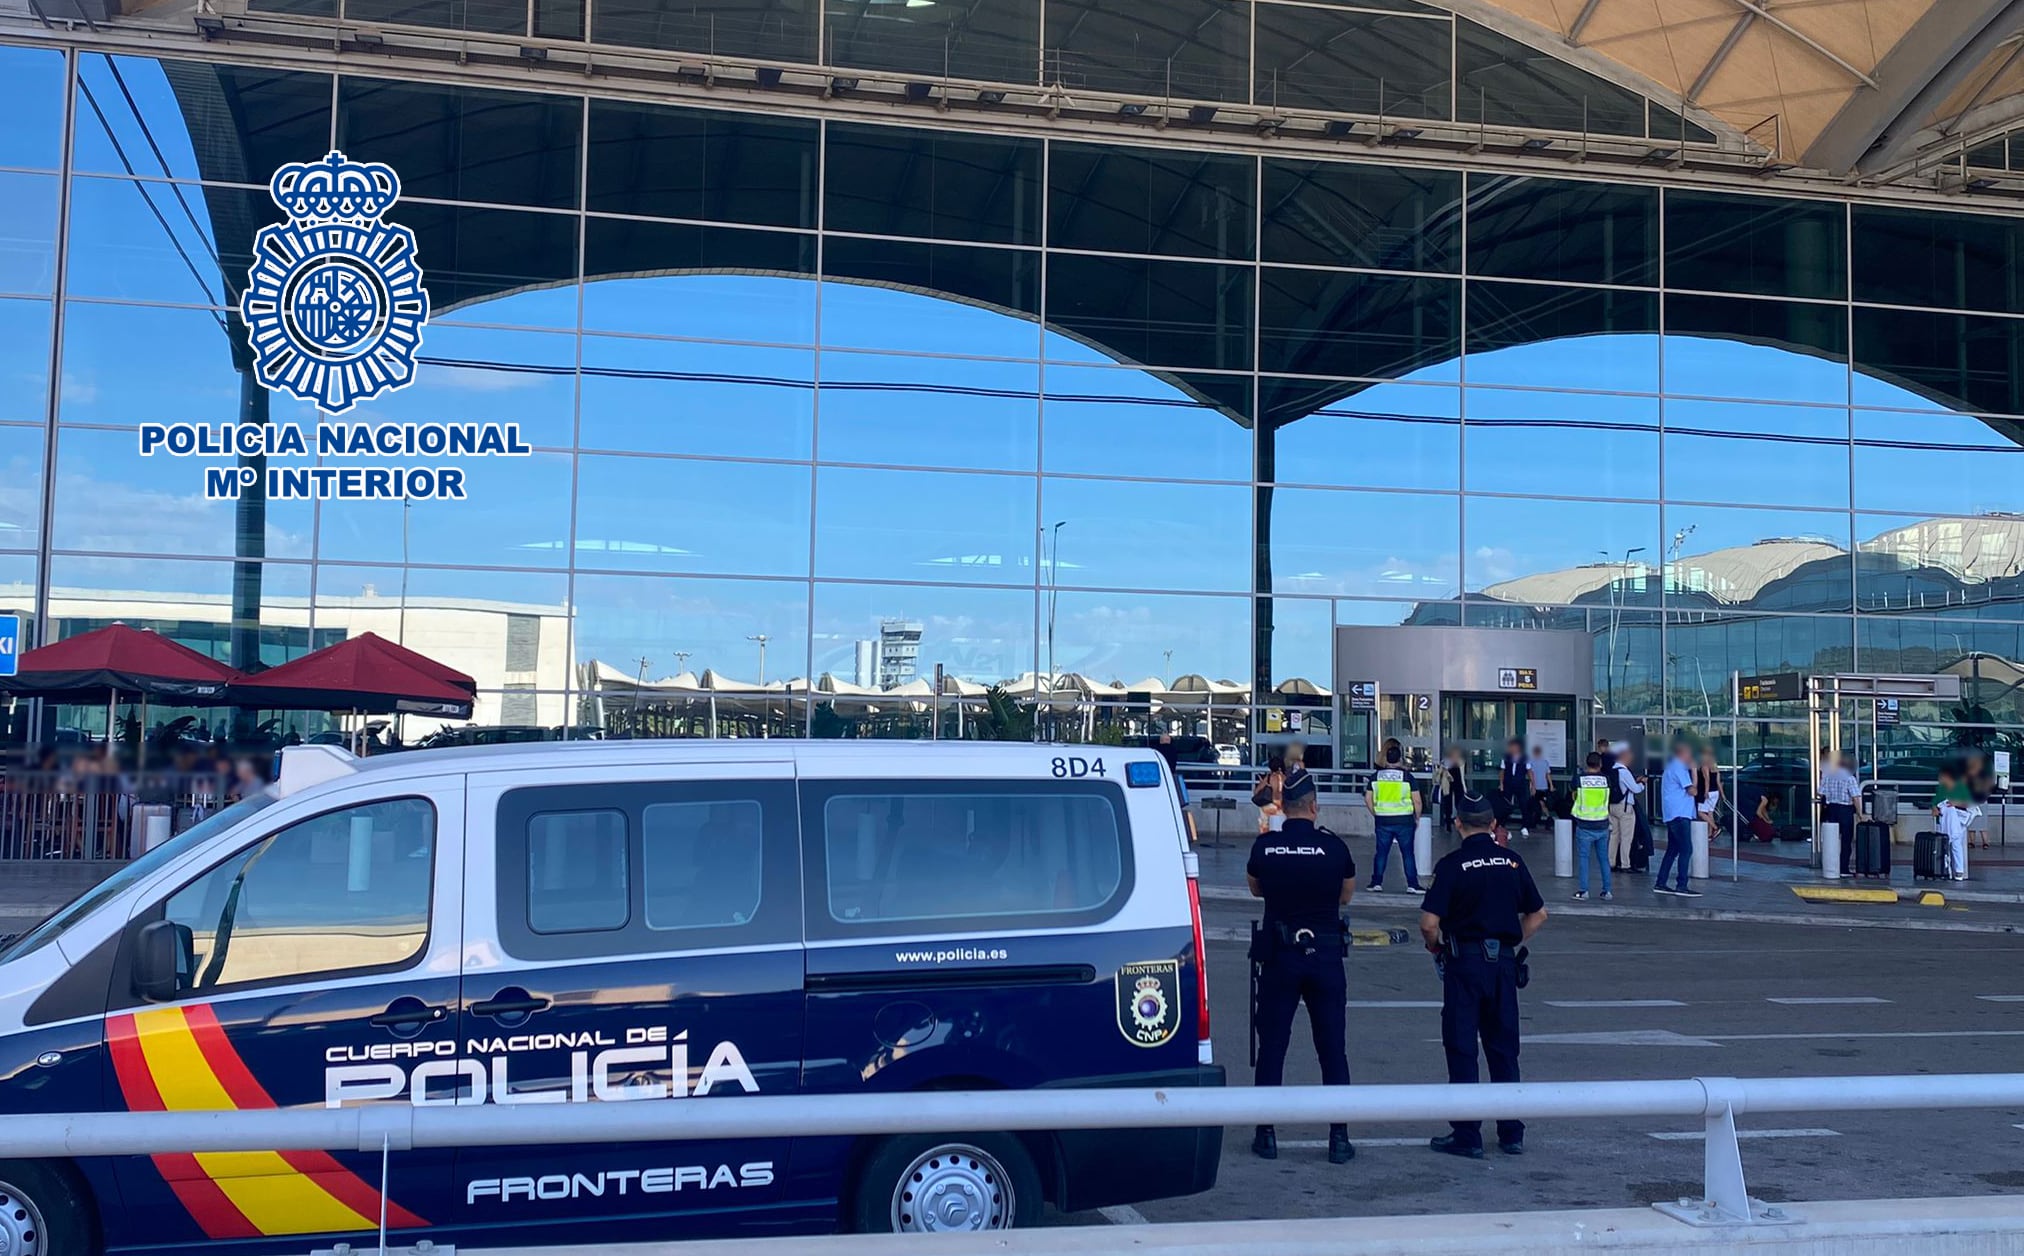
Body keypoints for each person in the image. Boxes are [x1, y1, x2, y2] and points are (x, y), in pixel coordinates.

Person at [1420, 792, 1548, 1158]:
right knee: (1504, 1048)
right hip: (1503, 967)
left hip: (1465, 964)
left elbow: (1429, 924)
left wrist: (1438, 949)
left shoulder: (1452, 865)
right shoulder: (1512, 862)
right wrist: (1507, 942)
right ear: (1493, 825)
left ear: (1458, 823)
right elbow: (1539, 914)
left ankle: (1468, 1134)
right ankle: (1511, 1132)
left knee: (1462, 1047)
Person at [1246, 770, 1356, 1164]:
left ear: (1285, 808)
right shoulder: (1335, 848)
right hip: (1325, 956)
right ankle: (1339, 1137)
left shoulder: (1266, 848)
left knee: (1273, 1045)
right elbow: (1346, 896)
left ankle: (1266, 1133)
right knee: (1332, 1048)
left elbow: (1255, 887)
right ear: (1313, 807)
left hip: (1280, 955)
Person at [1365, 745, 1424, 893]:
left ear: (1386, 759)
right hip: (1404, 821)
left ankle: (1376, 883)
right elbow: (1417, 800)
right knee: (1407, 853)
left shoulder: (1376, 776)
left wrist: (1376, 812)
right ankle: (1412, 885)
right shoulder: (1407, 777)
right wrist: (1417, 818)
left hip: (1383, 820)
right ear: (1400, 759)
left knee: (1381, 853)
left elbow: (1368, 799)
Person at [1656, 738, 1703, 897]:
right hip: (1680, 815)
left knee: (1672, 850)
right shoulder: (1678, 768)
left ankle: (1661, 882)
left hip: (1673, 814)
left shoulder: (1672, 767)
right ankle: (1681, 885)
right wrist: (1695, 771)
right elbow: (1693, 791)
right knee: (1686, 849)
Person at [1570, 752, 1613, 901]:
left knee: (1584, 859)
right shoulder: (1606, 779)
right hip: (1602, 823)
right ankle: (1607, 891)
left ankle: (1584, 891)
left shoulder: (1580, 779)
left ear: (1587, 763)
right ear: (1600, 764)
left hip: (1584, 824)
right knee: (1603, 859)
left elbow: (1573, 793)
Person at [1819, 751, 1860, 875]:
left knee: (1832, 839)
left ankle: (1830, 867)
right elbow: (1855, 797)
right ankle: (1843, 869)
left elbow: (1820, 793)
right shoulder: (1849, 778)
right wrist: (1860, 813)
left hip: (1831, 809)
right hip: (1845, 810)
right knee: (1846, 841)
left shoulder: (1828, 776)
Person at [1608, 742, 1644, 872]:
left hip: (1612, 806)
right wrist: (1642, 784)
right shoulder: (1624, 772)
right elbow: (1635, 789)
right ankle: (1625, 864)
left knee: (1614, 835)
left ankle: (1611, 862)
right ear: (1623, 757)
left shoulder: (1612, 770)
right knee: (1626, 837)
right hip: (1625, 807)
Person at [1935, 764, 1973, 882]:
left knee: (1955, 845)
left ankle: (1958, 871)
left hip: (1957, 821)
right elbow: (1936, 802)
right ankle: (1946, 870)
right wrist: (1935, 808)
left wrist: (1955, 803)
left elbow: (1967, 804)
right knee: (1948, 846)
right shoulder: (1943, 789)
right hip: (1946, 820)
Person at [1499, 739, 1532, 836]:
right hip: (1508, 784)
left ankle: (1525, 826)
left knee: (1523, 805)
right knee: (1505, 805)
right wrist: (1501, 784)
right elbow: (1502, 771)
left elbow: (1529, 771)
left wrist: (1533, 784)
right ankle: (1502, 825)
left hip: (1520, 784)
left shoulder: (1525, 757)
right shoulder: (1506, 757)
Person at [1435, 746, 1466, 832]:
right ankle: (1448, 822)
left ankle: (1460, 822)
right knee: (1448, 804)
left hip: (1458, 784)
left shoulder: (1460, 762)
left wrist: (1464, 788)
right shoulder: (1445, 761)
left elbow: (1462, 776)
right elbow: (1440, 773)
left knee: (1459, 803)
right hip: (1447, 785)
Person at [1525, 746, 1552, 829]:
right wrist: (1551, 785)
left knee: (1534, 804)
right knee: (1542, 804)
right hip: (1543, 786)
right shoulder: (1545, 762)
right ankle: (1548, 818)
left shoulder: (1530, 762)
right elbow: (1548, 774)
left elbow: (1530, 775)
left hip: (1534, 787)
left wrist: (1532, 786)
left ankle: (1534, 821)